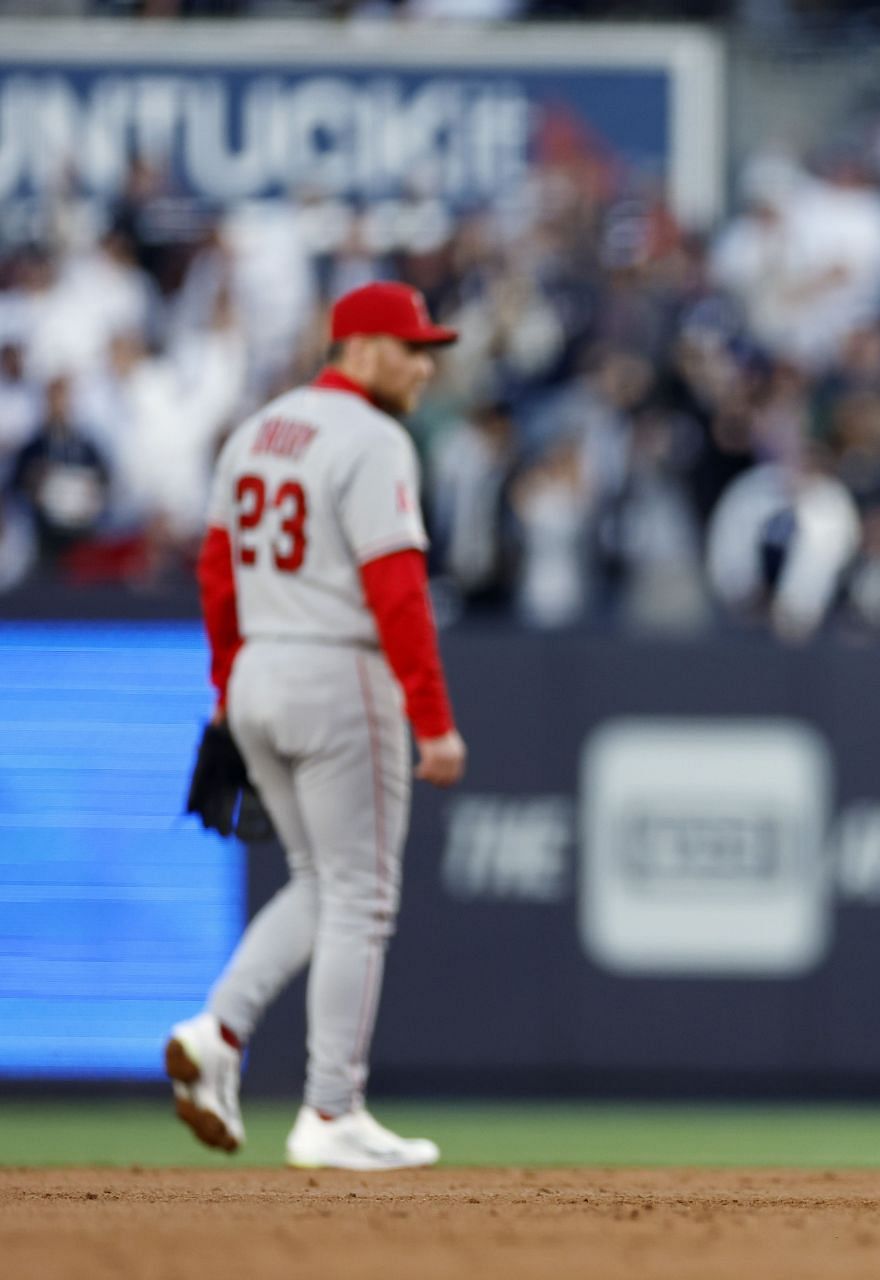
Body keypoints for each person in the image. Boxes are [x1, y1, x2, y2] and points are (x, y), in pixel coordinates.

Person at [167, 282, 467, 1171]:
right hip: (338, 667)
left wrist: (228, 686)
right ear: (360, 350)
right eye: (411, 348)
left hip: (260, 667)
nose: (424, 365)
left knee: (319, 880)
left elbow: (215, 573)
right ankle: (331, 1111)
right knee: (363, 896)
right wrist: (435, 722)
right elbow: (397, 590)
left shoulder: (257, 430)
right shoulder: (373, 438)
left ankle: (217, 1031)